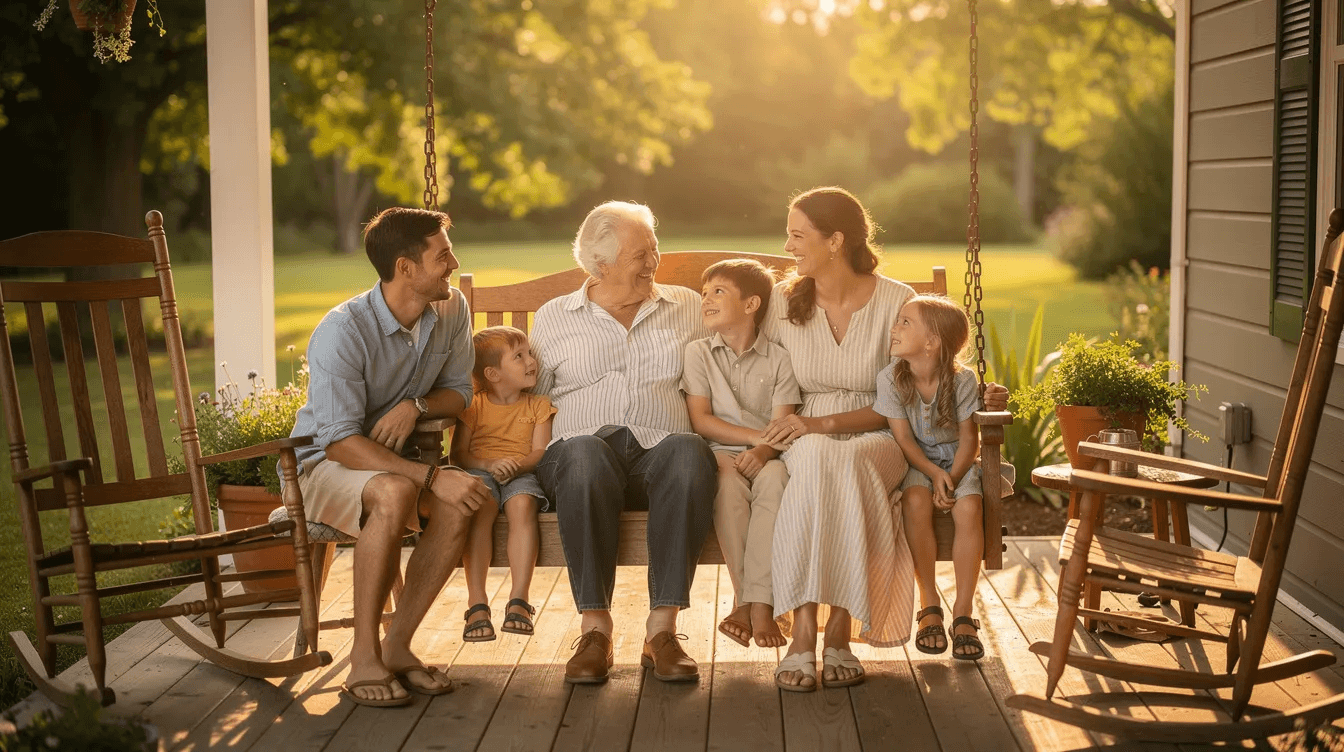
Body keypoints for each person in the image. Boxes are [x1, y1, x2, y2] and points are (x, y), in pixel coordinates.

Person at [758, 187, 1008, 692]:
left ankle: (837, 631)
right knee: (819, 463)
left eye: (797, 234)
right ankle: (809, 634)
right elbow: (764, 376)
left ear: (835, 241)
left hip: (883, 433)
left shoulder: (897, 301)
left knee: (839, 462)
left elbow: (927, 373)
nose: (786, 246)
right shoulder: (784, 302)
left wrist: (986, 389)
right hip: (805, 430)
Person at [287, 207, 494, 707]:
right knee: (398, 489)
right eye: (442, 255)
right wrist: (430, 476)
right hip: (322, 465)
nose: (454, 263)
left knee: (459, 499)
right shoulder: (343, 331)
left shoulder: (451, 310)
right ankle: (362, 659)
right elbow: (336, 439)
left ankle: (397, 648)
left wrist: (414, 406)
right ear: (406, 268)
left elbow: (458, 394)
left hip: (391, 461)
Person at [530, 201, 717, 685]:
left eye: (654, 248)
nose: (653, 261)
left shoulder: (688, 307)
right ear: (600, 263)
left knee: (689, 450)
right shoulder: (555, 317)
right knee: (585, 453)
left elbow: (734, 355)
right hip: (579, 461)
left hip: (660, 458)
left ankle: (662, 632)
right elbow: (530, 399)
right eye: (640, 254)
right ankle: (595, 630)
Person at [681, 259, 801, 649]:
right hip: (719, 452)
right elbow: (701, 419)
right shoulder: (698, 353)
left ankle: (750, 604)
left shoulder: (780, 358)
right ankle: (757, 602)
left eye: (719, 292)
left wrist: (764, 449)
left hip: (771, 454)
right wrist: (753, 438)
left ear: (751, 305)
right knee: (728, 485)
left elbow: (782, 422)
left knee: (776, 484)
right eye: (704, 293)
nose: (707, 299)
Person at [876, 295, 988, 660]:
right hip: (918, 464)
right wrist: (934, 474)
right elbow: (905, 441)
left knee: (970, 509)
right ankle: (929, 605)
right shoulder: (891, 378)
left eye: (905, 322)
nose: (894, 328)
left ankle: (964, 611)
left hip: (960, 462)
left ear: (932, 341)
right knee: (915, 500)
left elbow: (970, 440)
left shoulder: (962, 380)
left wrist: (951, 478)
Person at [450, 326, 555, 642]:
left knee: (523, 504)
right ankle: (477, 603)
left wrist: (515, 466)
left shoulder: (538, 405)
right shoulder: (474, 405)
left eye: (530, 354)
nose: (531, 361)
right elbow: (458, 454)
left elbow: (540, 452)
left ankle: (519, 600)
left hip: (523, 473)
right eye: (519, 356)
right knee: (478, 503)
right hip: (482, 473)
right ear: (493, 374)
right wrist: (489, 465)